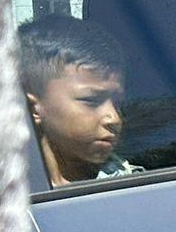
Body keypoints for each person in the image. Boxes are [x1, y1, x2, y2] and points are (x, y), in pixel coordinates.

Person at [19, 15, 139, 186]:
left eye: (118, 103)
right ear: (33, 109)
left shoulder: (131, 181)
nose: (114, 119)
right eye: (91, 101)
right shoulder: (1, 193)